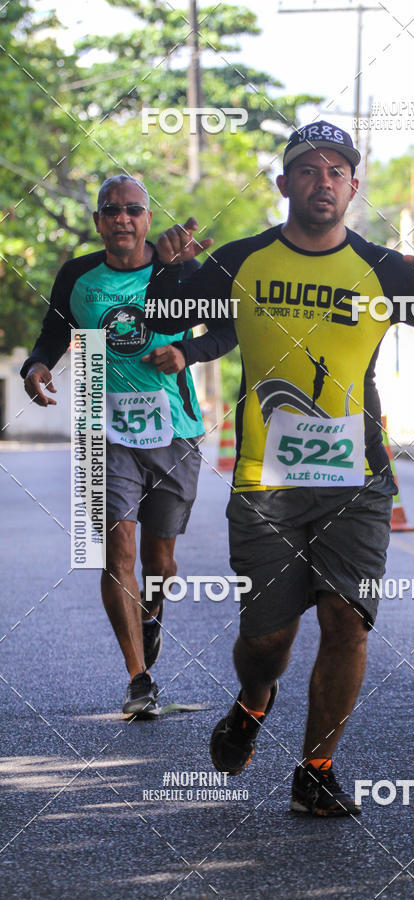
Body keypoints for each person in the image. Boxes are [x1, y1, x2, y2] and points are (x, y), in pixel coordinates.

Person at [144, 121, 414, 814]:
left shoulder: (383, 268)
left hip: (358, 479)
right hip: (265, 483)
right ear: (284, 183)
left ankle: (317, 769)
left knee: (347, 621)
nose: (323, 182)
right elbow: (165, 313)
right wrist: (170, 266)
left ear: (353, 188)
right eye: (308, 169)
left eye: (336, 172)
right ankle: (253, 699)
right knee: (266, 641)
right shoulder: (242, 260)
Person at [22, 175, 235, 717]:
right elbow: (54, 332)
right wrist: (37, 365)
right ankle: (139, 679)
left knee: (160, 558)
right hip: (105, 429)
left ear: (147, 219)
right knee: (117, 550)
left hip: (174, 428)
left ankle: (153, 611)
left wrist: (186, 352)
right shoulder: (77, 275)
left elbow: (227, 330)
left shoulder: (180, 269)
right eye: (112, 210)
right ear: (98, 221)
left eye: (133, 210)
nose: (122, 218)